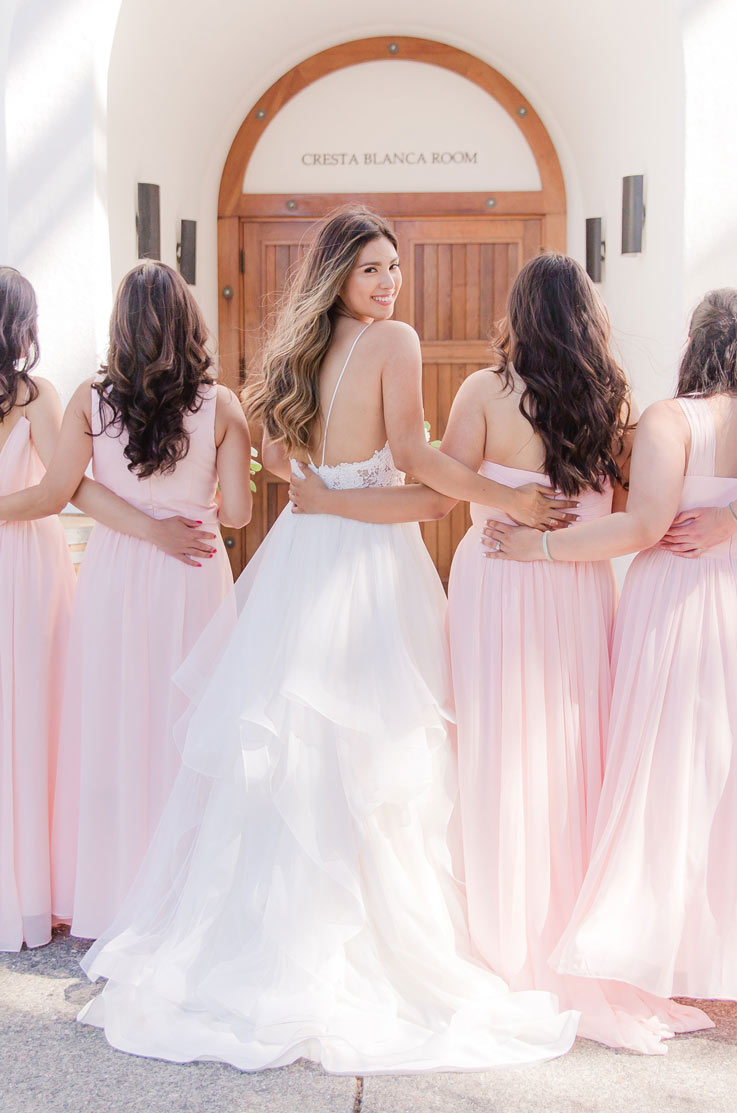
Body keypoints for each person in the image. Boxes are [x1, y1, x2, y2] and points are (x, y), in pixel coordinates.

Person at [76, 209, 579, 1072]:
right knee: (368, 742)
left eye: (393, 269)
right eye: (372, 270)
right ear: (339, 274)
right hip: (363, 554)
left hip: (305, 551)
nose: (389, 285)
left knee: (301, 739)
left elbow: (282, 459)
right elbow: (417, 459)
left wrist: (325, 488)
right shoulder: (395, 344)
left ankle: (279, 928)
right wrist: (507, 500)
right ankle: (361, 941)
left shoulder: (294, 355)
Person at [288, 252, 711, 1052]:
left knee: (490, 747)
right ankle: (564, 932)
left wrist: (339, 497)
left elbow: (441, 485)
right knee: (571, 754)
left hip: (497, 576)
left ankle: (492, 938)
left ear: (518, 312)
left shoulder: (484, 392)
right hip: (577, 584)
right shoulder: (610, 399)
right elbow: (623, 503)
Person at [484, 287, 737, 1002]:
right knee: (723, 772)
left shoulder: (669, 419)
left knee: (659, 770)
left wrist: (542, 547)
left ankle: (655, 946)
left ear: (697, 344)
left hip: (676, 602)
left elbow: (641, 526)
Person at [0, 262, 252, 940]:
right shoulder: (222, 405)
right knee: (184, 722)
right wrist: (189, 507)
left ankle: (109, 892)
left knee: (112, 722)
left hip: (115, 571)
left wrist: (139, 523)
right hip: (192, 569)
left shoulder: (89, 397)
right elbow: (235, 514)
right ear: (189, 321)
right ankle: (184, 890)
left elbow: (66, 487)